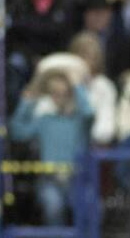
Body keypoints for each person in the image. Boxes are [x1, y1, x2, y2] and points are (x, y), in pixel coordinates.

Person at [9, 70, 94, 226]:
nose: (60, 98)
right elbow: (17, 132)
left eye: (65, 93)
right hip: (49, 180)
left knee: (89, 207)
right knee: (53, 206)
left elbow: (89, 113)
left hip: (77, 179)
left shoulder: (80, 121)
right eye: (55, 93)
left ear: (71, 94)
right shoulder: (44, 120)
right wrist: (27, 102)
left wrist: (77, 86)